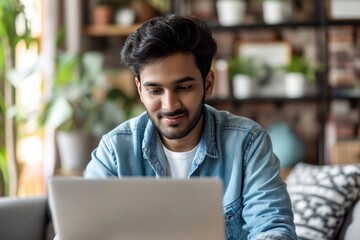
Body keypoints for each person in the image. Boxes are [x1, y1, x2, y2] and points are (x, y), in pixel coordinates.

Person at [84, 14, 297, 240]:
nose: (169, 105)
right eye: (155, 91)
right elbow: (81, 231)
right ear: (139, 90)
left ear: (208, 83)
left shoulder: (248, 143)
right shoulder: (115, 150)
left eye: (184, 87)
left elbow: (273, 229)